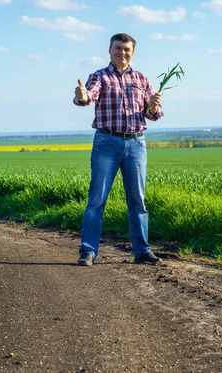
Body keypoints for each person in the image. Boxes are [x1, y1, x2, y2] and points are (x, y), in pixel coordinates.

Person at [73, 33, 163, 266]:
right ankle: (88, 251)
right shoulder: (100, 76)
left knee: (138, 201)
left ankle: (142, 251)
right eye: (118, 48)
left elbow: (152, 115)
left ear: (132, 52)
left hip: (136, 143)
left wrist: (153, 105)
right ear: (110, 50)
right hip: (107, 143)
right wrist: (82, 97)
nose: (122, 53)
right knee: (96, 200)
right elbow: (89, 96)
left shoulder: (142, 79)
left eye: (127, 49)